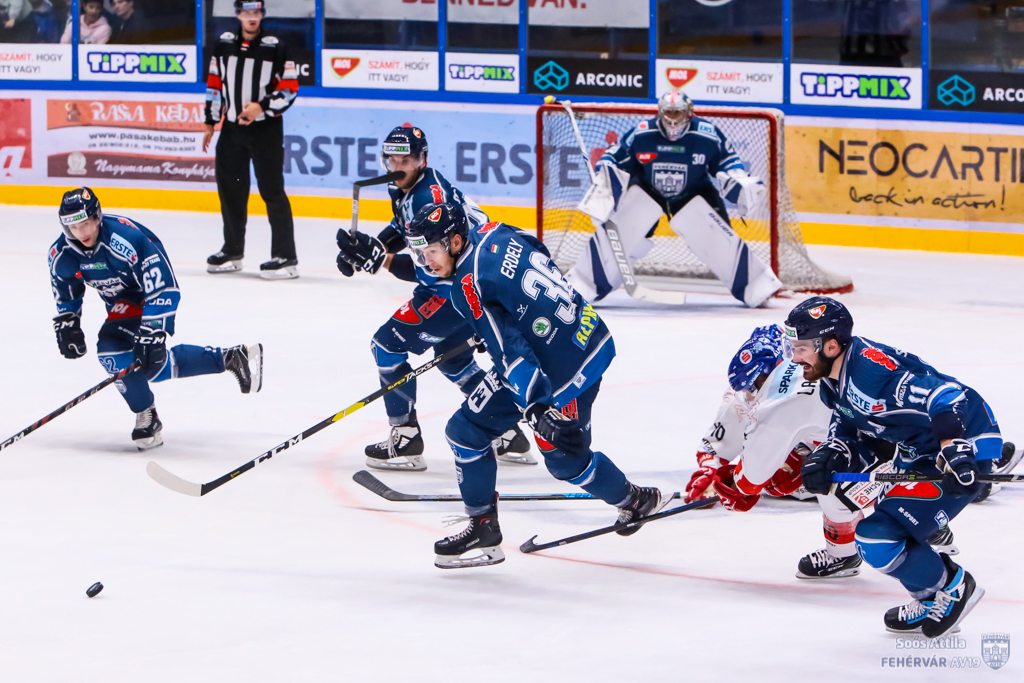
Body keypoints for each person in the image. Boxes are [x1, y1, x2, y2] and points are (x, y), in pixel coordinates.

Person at [401, 202, 668, 568]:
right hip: (585, 331)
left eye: (431, 251)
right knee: (465, 432)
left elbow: (511, 353)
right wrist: (513, 313)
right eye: (420, 252)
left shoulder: (468, 285)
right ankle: (483, 527)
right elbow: (538, 252)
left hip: (563, 369)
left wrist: (537, 405)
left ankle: (636, 500)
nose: (425, 261)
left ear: (456, 241)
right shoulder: (496, 230)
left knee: (566, 461)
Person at [788, 297, 997, 637]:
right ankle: (930, 592)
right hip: (918, 451)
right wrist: (835, 452)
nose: (795, 358)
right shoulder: (832, 378)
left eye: (801, 349)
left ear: (830, 345)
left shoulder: (873, 375)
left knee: (878, 536)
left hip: (966, 444)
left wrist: (953, 448)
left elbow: (946, 396)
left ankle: (954, 587)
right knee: (875, 528)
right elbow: (854, 425)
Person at [684, 324, 958, 579]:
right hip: (929, 425)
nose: (748, 394)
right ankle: (923, 505)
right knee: (821, 465)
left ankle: (857, 548)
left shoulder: (777, 404)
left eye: (751, 387)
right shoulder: (810, 358)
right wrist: (712, 467)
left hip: (892, 442)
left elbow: (749, 481)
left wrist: (733, 484)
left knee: (829, 481)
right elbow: (721, 441)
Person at [336, 125, 533, 471]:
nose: (397, 166)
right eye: (392, 159)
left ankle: (406, 439)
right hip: (470, 284)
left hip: (456, 288)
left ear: (422, 159)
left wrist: (379, 261)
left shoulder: (429, 199)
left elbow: (432, 269)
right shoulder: (409, 186)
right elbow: (404, 228)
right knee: (453, 361)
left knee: (386, 346)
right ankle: (506, 434)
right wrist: (372, 248)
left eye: (406, 160)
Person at [49, 187, 263, 450]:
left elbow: (163, 287)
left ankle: (147, 417)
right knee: (148, 368)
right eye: (72, 227)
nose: (80, 233)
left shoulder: (126, 239)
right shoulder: (62, 253)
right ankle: (230, 358)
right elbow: (65, 289)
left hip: (146, 295)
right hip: (121, 303)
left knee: (112, 351)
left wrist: (153, 331)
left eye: (85, 224)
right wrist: (68, 321)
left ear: (97, 216)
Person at [565, 91, 780, 308]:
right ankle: (584, 283)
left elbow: (727, 161)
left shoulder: (707, 135)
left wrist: (737, 178)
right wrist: (606, 172)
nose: (673, 118)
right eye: (669, 112)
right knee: (622, 233)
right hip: (648, 190)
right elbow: (615, 156)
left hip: (694, 191)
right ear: (660, 112)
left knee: (719, 238)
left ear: (689, 113)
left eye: (678, 113)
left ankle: (756, 286)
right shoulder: (642, 133)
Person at [204, 0, 300, 279]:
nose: (251, 17)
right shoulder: (224, 43)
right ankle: (232, 251)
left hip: (265, 130)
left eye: (256, 12)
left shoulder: (275, 46)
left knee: (272, 191)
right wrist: (210, 120)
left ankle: (285, 256)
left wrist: (262, 106)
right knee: (231, 191)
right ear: (238, 15)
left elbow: (290, 88)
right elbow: (214, 83)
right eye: (246, 13)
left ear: (262, 14)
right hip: (232, 130)